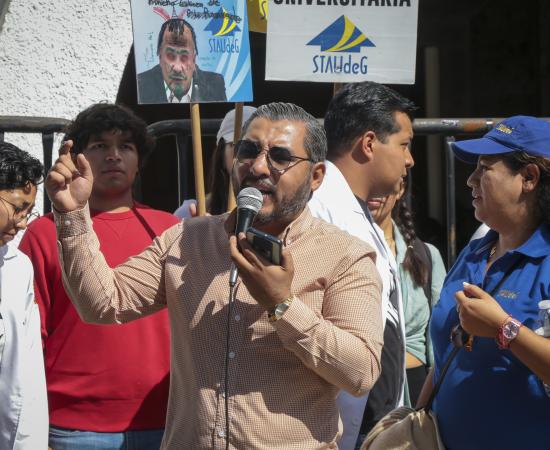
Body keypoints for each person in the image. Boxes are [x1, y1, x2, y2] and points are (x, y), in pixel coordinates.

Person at [45, 102, 384, 449]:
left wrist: (282, 305)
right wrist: (72, 213)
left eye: (280, 157)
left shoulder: (345, 256)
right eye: (248, 151)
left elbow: (360, 373)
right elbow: (103, 304)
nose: (258, 167)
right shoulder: (187, 238)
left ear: (316, 176)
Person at [19, 104, 179, 450]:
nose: (113, 155)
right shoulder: (44, 233)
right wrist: (32, 423)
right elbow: (29, 337)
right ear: (77, 158)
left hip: (167, 419)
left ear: (139, 161)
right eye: (100, 145)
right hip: (72, 427)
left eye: (126, 146)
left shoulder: (172, 229)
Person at [416, 116, 550, 449]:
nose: (470, 180)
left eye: (484, 168)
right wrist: (416, 422)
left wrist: (504, 328)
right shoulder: (476, 250)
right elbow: (447, 352)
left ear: (529, 178)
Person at [308, 81, 415, 450]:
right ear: (369, 143)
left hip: (369, 425)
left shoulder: (355, 209)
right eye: (404, 145)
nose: (409, 160)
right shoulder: (318, 208)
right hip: (333, 426)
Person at [367, 179, 446, 407]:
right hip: (369, 391)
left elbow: (438, 331)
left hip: (418, 384)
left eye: (383, 184)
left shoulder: (427, 255)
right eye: (369, 183)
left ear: (400, 188)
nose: (375, 193)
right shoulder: (348, 251)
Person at [0, 142, 47, 449]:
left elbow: (26, 374)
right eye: (17, 208)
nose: (23, 223)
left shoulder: (18, 268)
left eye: (29, 212)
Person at [174, 106, 257, 218]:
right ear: (221, 155)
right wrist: (194, 229)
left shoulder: (280, 215)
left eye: (255, 147)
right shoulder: (190, 214)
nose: (245, 153)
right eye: (236, 145)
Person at [137, 18, 227, 104]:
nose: (177, 68)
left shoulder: (215, 85)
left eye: (184, 56)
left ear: (194, 60)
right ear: (160, 57)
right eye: (170, 55)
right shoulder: (140, 85)